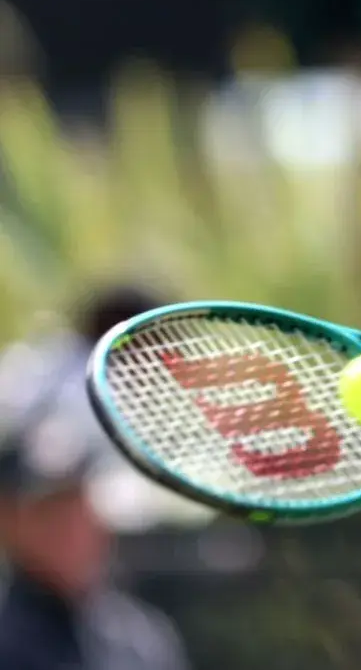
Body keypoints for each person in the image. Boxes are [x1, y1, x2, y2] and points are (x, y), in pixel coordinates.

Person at [0, 285, 192, 670]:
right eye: (52, 511)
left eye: (81, 505)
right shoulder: (48, 386)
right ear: (9, 518)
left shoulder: (139, 644)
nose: (76, 527)